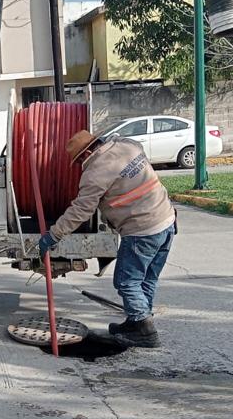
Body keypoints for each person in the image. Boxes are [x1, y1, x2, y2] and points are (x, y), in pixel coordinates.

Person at [38, 130, 176, 348]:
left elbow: (81, 211)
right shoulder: (129, 146)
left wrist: (53, 235)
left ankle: (145, 330)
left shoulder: (95, 173)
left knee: (126, 281)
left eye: (79, 161)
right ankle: (136, 321)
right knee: (146, 279)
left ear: (85, 155)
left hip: (142, 230)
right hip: (167, 221)